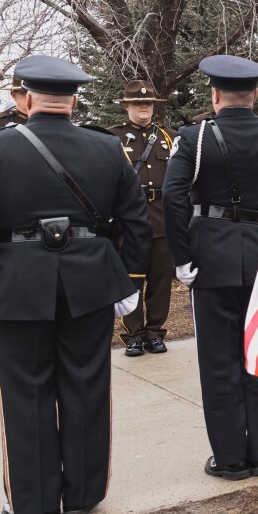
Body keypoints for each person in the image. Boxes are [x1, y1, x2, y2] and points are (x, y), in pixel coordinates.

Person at [0, 55, 151, 514]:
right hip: (91, 280)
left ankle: (34, 502)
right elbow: (137, 222)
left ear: (28, 98)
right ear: (73, 100)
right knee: (86, 386)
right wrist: (130, 282)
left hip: (20, 283)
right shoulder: (108, 148)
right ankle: (83, 495)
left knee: (26, 392)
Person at [163, 55, 258, 479]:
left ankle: (229, 457)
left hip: (212, 253)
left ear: (214, 95)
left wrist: (182, 256)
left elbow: (173, 197)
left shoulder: (193, 138)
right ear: (255, 95)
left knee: (218, 358)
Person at [110, 81, 175, 357]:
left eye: (148, 104)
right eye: (138, 103)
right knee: (131, 280)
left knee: (161, 281)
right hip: (130, 221)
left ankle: (155, 332)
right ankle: (133, 335)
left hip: (162, 219)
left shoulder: (169, 137)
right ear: (127, 106)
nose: (144, 108)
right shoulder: (112, 138)